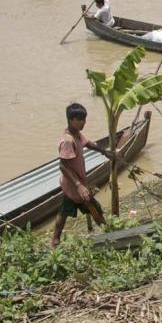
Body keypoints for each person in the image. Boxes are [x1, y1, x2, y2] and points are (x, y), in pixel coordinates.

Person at [51, 103, 108, 248]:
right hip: (74, 185)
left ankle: (55, 241)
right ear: (71, 119)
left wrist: (104, 151)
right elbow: (63, 166)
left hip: (77, 183)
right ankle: (108, 233)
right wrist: (79, 186)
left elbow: (87, 143)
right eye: (80, 119)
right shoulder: (67, 141)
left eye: (85, 119)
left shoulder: (76, 134)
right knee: (93, 207)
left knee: (63, 213)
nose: (84, 122)